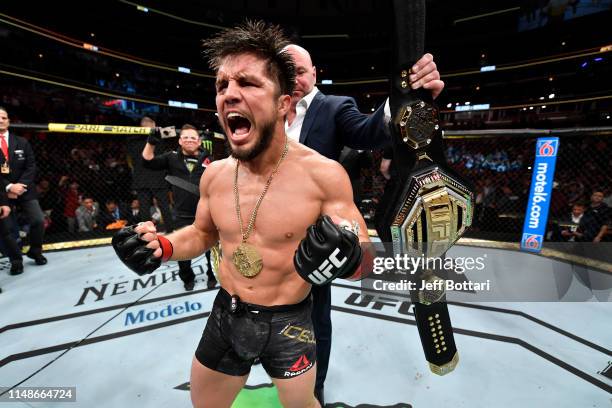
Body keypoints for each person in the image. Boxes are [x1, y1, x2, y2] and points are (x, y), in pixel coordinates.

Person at [113, 20, 370, 408]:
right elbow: (200, 233)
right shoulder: (214, 175)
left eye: (247, 83)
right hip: (226, 312)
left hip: (291, 322)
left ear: (283, 103)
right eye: (222, 85)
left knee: (304, 405)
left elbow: (363, 256)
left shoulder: (324, 175)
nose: (229, 95)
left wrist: (347, 256)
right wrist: (162, 246)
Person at [283, 43, 443, 401]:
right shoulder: (268, 111)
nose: (293, 78)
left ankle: (314, 392)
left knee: (313, 319)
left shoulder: (333, 107)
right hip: (268, 233)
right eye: (284, 70)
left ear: (314, 74)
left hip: (313, 239)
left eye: (300, 70)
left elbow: (371, 131)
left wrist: (407, 98)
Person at [142, 124, 217, 291]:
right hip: (182, 214)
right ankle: (187, 278)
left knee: (210, 249)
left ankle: (212, 275)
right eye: (186, 137)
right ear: (180, 141)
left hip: (206, 213)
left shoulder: (209, 159)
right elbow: (148, 162)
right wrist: (151, 143)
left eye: (193, 138)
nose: (190, 140)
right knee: (182, 250)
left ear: (199, 141)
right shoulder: (171, 157)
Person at [0, 106, 47, 274]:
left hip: (25, 188)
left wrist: (20, 186)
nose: (1, 120)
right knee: (5, 228)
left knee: (38, 220)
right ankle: (15, 260)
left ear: (9, 121)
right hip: (1, 192)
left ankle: (35, 251)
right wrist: (8, 187)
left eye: (4, 117)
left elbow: (31, 166)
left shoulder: (21, 141)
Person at [126, 116, 175, 232]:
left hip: (151, 177)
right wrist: (154, 130)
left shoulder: (135, 137)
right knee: (151, 208)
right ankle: (165, 231)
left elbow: (172, 132)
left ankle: (150, 233)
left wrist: (155, 130)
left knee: (154, 207)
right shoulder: (134, 138)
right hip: (149, 177)